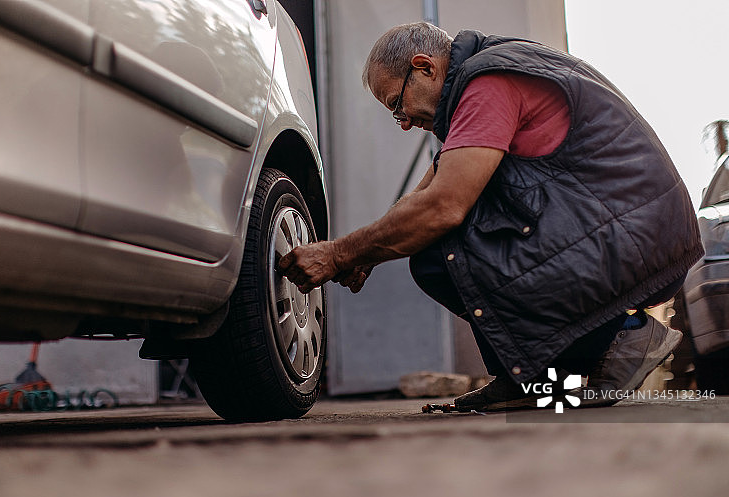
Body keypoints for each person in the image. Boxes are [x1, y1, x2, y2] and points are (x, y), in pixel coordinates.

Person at [277, 22, 703, 410]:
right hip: (627, 229)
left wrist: (337, 255)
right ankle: (535, 380)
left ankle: (621, 333)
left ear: (424, 68)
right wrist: (361, 254)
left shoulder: (487, 82)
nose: (403, 122)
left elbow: (443, 206)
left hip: (634, 234)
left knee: (443, 250)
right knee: (434, 245)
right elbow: (427, 189)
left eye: (397, 105)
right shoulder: (482, 77)